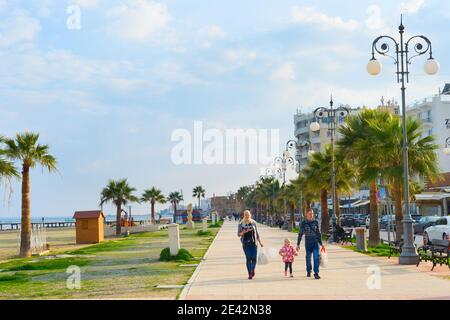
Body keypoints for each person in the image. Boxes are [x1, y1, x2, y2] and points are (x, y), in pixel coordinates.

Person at [296, 208, 325, 279]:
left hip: (315, 243)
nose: (311, 215)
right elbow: (300, 234)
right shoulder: (303, 223)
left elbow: (318, 233)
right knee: (308, 258)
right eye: (310, 213)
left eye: (312, 213)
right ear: (306, 214)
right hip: (308, 243)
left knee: (316, 257)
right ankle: (309, 271)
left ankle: (316, 273)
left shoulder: (316, 222)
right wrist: (298, 244)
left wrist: (321, 244)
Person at [237, 210, 263, 280]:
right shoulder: (241, 224)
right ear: (244, 215)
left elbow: (257, 233)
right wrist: (243, 232)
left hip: (254, 243)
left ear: (250, 215)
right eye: (245, 215)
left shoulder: (253, 223)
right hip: (245, 244)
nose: (247, 216)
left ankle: (252, 269)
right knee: (248, 258)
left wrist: (260, 242)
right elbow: (238, 234)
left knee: (254, 258)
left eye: (248, 214)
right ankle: (250, 273)